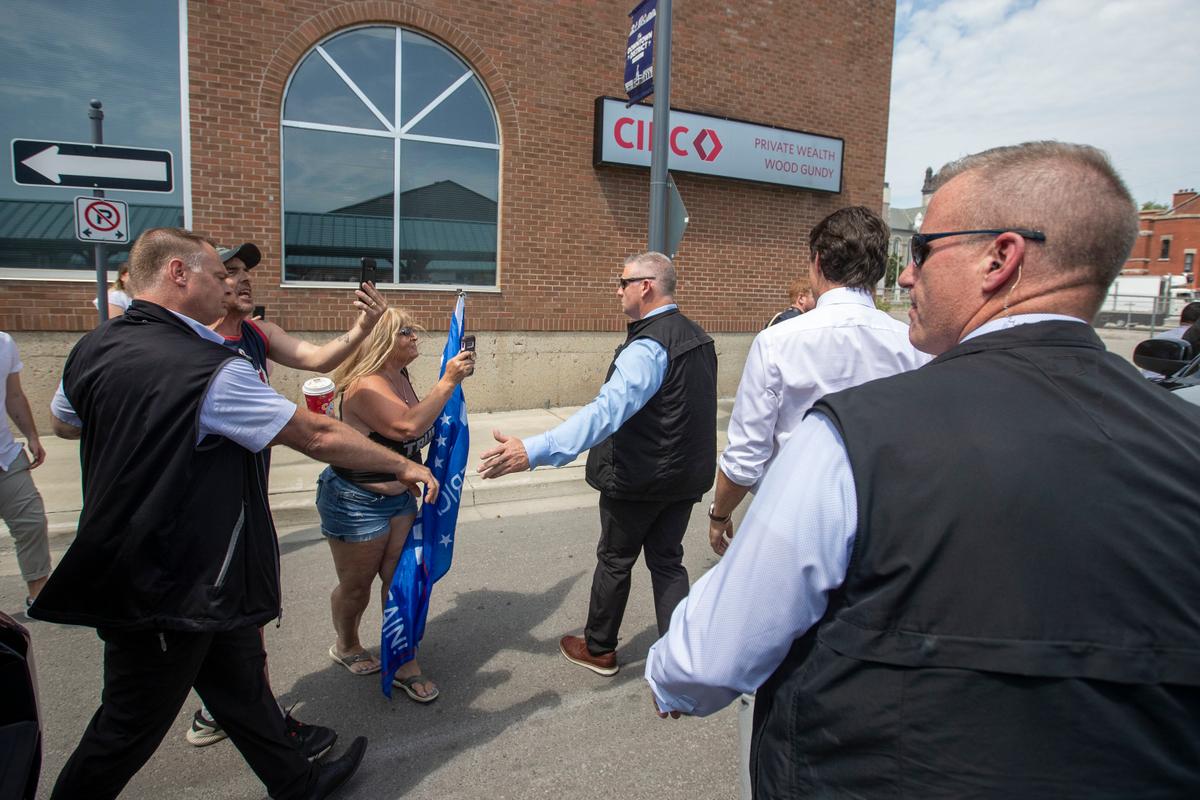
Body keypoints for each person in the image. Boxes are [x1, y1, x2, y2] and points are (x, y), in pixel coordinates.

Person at [645, 142, 1200, 797]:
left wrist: (672, 671)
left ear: (1001, 257)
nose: (905, 277)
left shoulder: (850, 440)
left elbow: (711, 653)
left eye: (925, 250)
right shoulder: (1183, 442)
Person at [31, 227, 441, 800]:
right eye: (214, 273)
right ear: (178, 274)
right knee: (127, 725)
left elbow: (66, 423)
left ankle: (298, 782)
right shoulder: (210, 368)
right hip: (170, 577)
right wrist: (403, 467)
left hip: (191, 574)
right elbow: (316, 435)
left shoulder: (93, 348)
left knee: (240, 683)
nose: (225, 284)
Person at [182, 239, 389, 751]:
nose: (243, 279)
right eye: (228, 272)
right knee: (208, 609)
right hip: (194, 500)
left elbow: (315, 356)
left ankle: (231, 708)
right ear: (197, 279)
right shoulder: (186, 345)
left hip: (243, 493)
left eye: (247, 272)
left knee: (243, 603)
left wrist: (361, 329)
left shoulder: (255, 333)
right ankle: (238, 710)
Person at [479, 252, 716, 676]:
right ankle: (682, 660)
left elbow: (604, 413)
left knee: (615, 559)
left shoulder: (648, 346)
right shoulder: (698, 336)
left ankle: (600, 648)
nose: (617, 289)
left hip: (638, 479)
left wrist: (533, 450)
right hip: (681, 478)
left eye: (622, 281)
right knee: (667, 560)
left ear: (646, 286)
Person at [710, 206, 930, 556]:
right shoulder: (914, 345)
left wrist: (719, 513)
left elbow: (747, 454)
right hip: (883, 525)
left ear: (817, 262)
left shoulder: (778, 342)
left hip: (794, 524)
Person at [317, 307, 473, 702]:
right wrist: (448, 381)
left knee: (400, 580)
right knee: (357, 588)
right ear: (384, 341)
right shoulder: (365, 386)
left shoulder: (399, 376)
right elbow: (407, 426)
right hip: (356, 501)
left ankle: (403, 660)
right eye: (407, 332)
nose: (415, 336)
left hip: (401, 499)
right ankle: (347, 644)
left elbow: (420, 424)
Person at [0, 331, 50, 610]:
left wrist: (31, 435)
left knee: (31, 522)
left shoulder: (4, 343)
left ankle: (39, 593)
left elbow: (14, 395)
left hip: (5, 456)